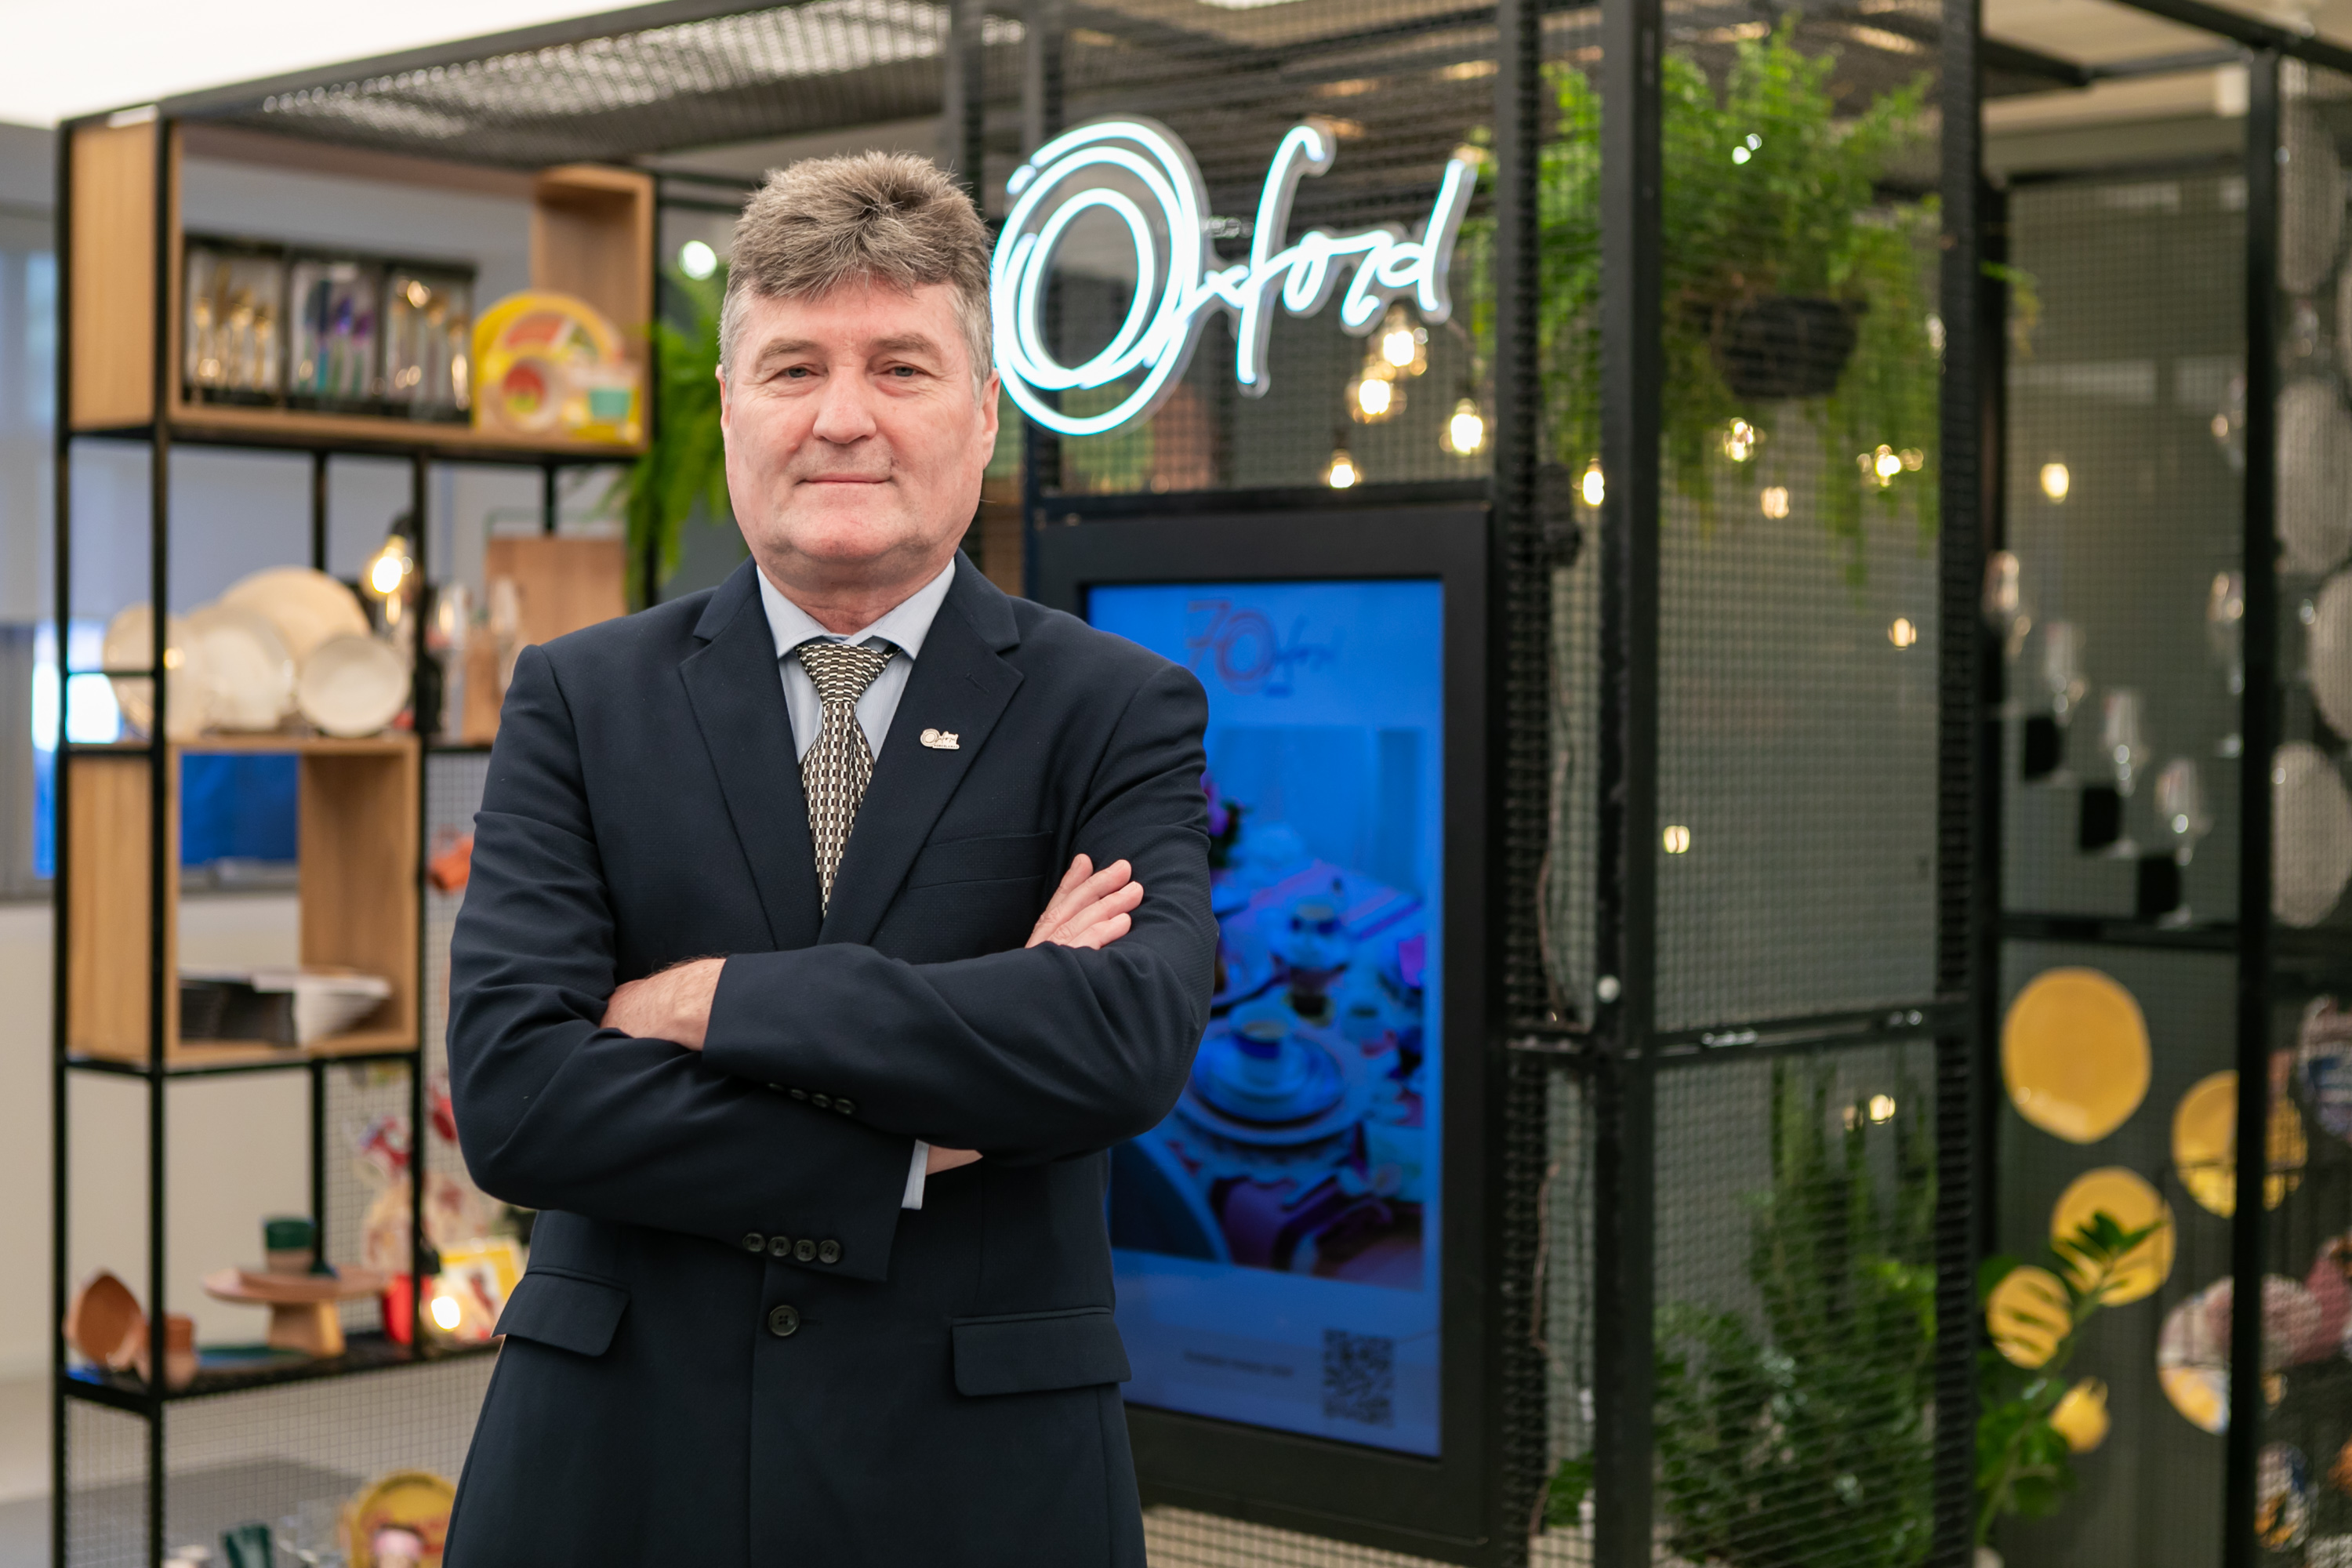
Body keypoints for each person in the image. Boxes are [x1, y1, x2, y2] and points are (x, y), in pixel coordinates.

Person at [441, 151, 1216, 1567]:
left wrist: (711, 1001)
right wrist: (913, 1143)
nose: (842, 417)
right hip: (618, 1467)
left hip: (976, 1480)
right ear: (730, 407)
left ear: (984, 412)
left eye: (901, 368)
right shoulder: (580, 698)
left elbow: (1122, 1042)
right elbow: (519, 1100)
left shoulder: (1114, 708)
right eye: (794, 368)